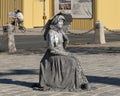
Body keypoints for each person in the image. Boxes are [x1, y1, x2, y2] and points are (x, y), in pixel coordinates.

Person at [33, 12, 90, 91]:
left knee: (75, 60)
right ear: (55, 22)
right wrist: (66, 53)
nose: (61, 23)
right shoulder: (51, 33)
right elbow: (52, 49)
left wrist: (66, 39)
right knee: (72, 61)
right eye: (60, 21)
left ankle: (80, 82)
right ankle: (74, 83)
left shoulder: (60, 32)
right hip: (52, 55)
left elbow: (63, 46)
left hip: (61, 52)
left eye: (62, 22)